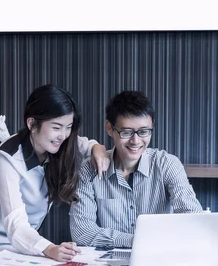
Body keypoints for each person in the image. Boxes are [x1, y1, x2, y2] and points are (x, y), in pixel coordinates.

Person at [0, 84, 109, 261]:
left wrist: (98, 148)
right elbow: (15, 222)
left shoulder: (59, 143)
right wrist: (50, 248)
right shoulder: (8, 156)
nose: (63, 135)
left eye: (68, 127)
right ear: (32, 123)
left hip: (22, 236)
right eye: (56, 127)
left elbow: (86, 145)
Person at [69, 90, 203, 248]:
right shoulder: (89, 169)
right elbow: (82, 232)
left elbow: (192, 217)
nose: (136, 141)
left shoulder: (167, 164)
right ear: (110, 128)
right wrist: (136, 241)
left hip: (158, 259)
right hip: (106, 264)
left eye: (144, 131)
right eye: (126, 132)